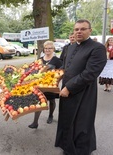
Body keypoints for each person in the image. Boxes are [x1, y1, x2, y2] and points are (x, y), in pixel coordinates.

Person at [55, 19, 107, 155]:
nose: (79, 31)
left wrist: (69, 88)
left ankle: (80, 151)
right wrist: (56, 77)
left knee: (81, 124)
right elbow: (65, 67)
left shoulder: (98, 48)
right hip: (67, 90)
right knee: (66, 120)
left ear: (90, 30)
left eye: (83, 29)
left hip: (84, 93)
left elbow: (90, 73)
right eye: (76, 29)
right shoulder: (71, 47)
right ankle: (67, 147)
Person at [28, 41, 62, 129]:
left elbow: (61, 72)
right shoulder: (40, 59)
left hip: (51, 85)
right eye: (46, 48)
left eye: (49, 48)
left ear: (53, 49)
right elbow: (34, 70)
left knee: (51, 100)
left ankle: (50, 115)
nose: (47, 50)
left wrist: (55, 78)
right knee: (40, 101)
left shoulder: (57, 60)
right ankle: (35, 122)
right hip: (40, 85)